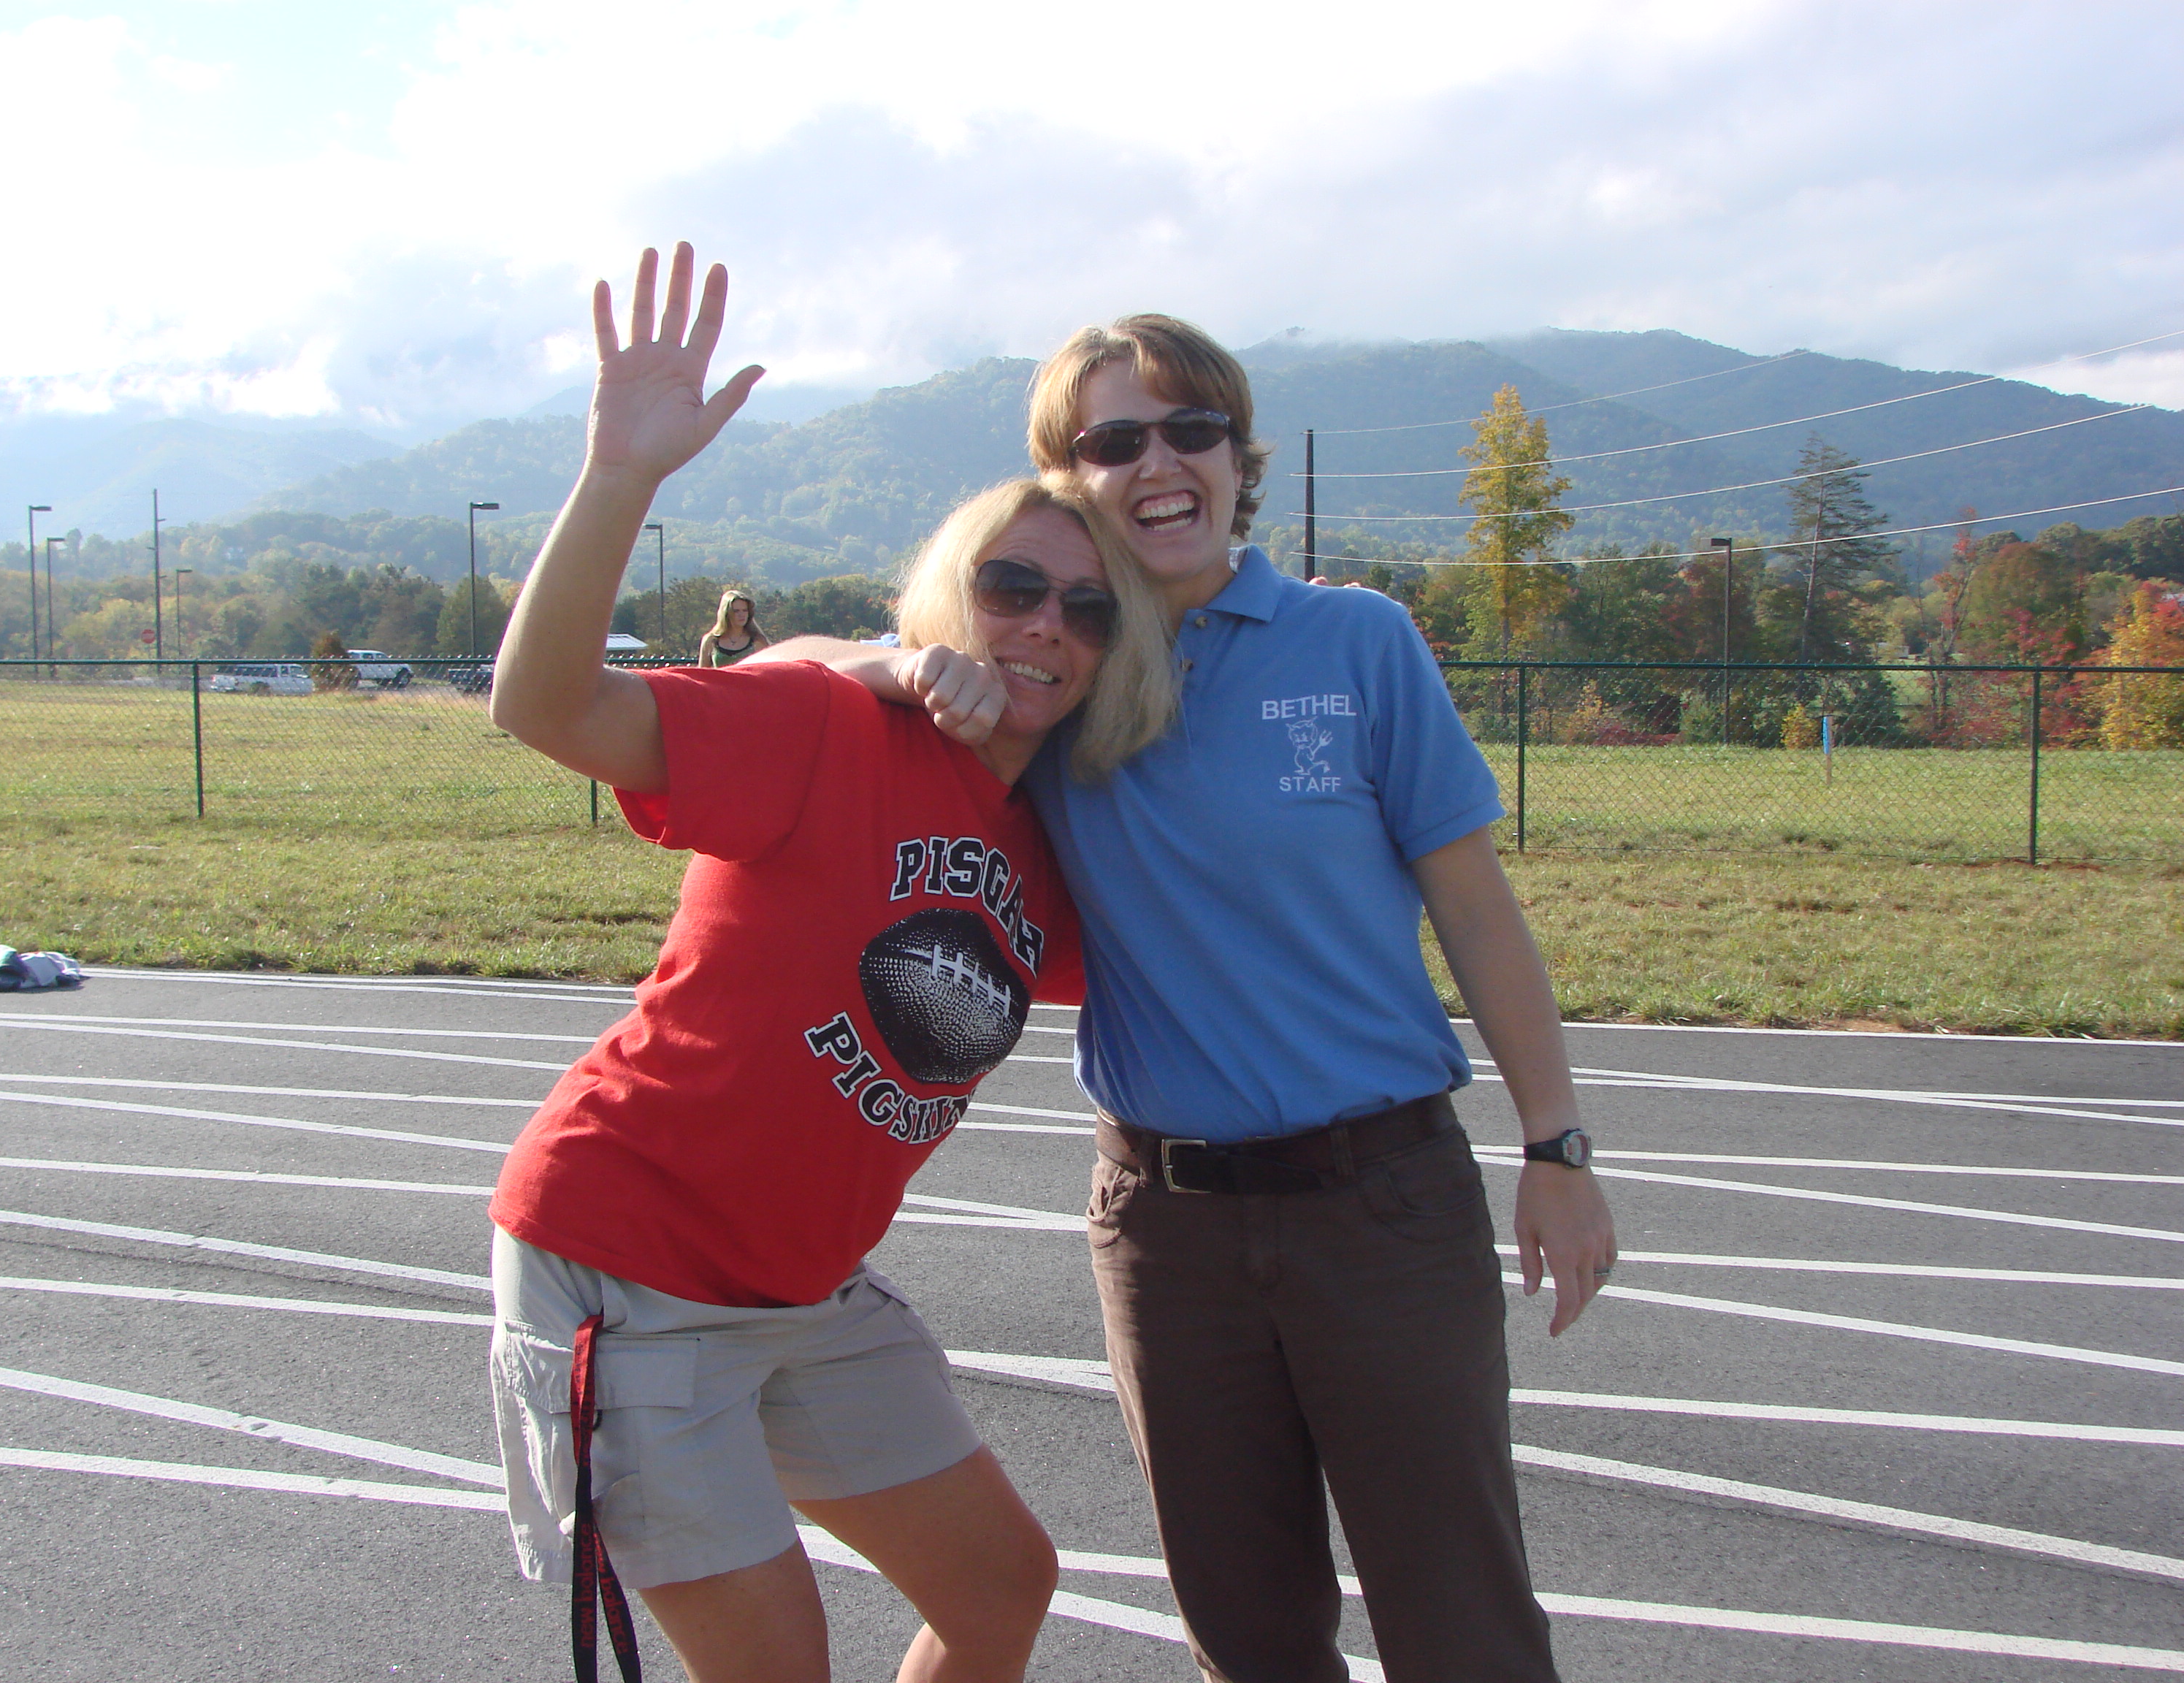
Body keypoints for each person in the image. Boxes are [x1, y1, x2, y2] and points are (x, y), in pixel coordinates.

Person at [809, 316, 1617, 1683]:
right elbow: (792, 672)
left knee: (1461, 1624)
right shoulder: (1053, 670)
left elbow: (1477, 909)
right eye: (1114, 439)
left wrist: (1558, 1146)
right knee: (1246, 1634)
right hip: (1165, 1228)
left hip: (1381, 1204)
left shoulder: (1355, 641)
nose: (1159, 463)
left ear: (1241, 457)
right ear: (1069, 477)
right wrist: (899, 664)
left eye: (1191, 428)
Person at [482, 243, 1173, 1683]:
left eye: (1090, 607)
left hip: (800, 1287)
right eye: (1013, 585)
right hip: (627, 1264)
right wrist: (619, 475)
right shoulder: (829, 728)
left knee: (999, 1588)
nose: (1047, 626)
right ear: (950, 594)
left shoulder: (1053, 846)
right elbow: (544, 704)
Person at [698, 589, 772, 667]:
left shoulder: (758, 641)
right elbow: (702, 672)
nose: (742, 615)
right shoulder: (711, 641)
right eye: (736, 611)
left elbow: (768, 670)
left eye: (745, 610)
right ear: (726, 613)